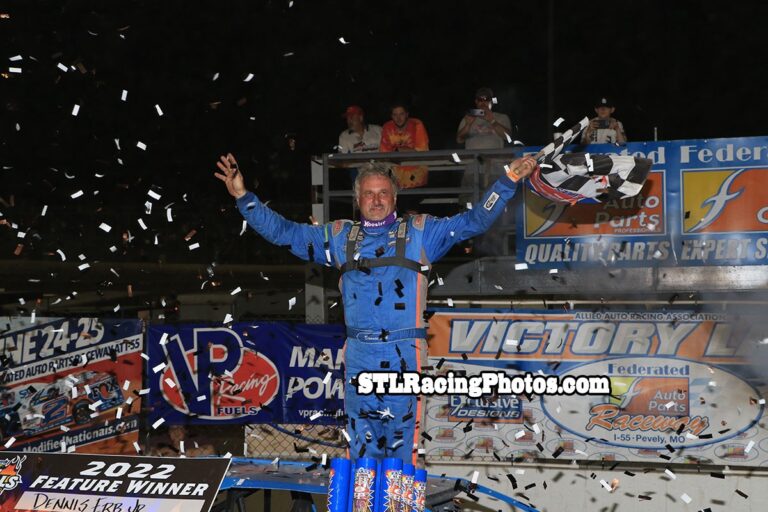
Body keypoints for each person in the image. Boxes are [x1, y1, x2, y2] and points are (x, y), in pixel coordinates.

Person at [214, 152, 537, 463]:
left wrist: (507, 180)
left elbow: (475, 220)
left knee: (401, 451)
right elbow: (285, 233)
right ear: (358, 200)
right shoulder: (340, 237)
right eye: (369, 194)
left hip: (404, 355)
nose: (377, 200)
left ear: (395, 198)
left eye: (383, 193)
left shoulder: (422, 233)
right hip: (358, 355)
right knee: (362, 450)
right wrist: (245, 198)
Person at [379, 103, 429, 189]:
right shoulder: (387, 127)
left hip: (418, 179)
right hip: (396, 181)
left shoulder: (417, 124)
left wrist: (397, 150)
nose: (398, 118)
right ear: (391, 116)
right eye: (395, 115)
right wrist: (404, 150)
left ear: (407, 114)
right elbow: (384, 154)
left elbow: (421, 151)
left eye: (401, 114)